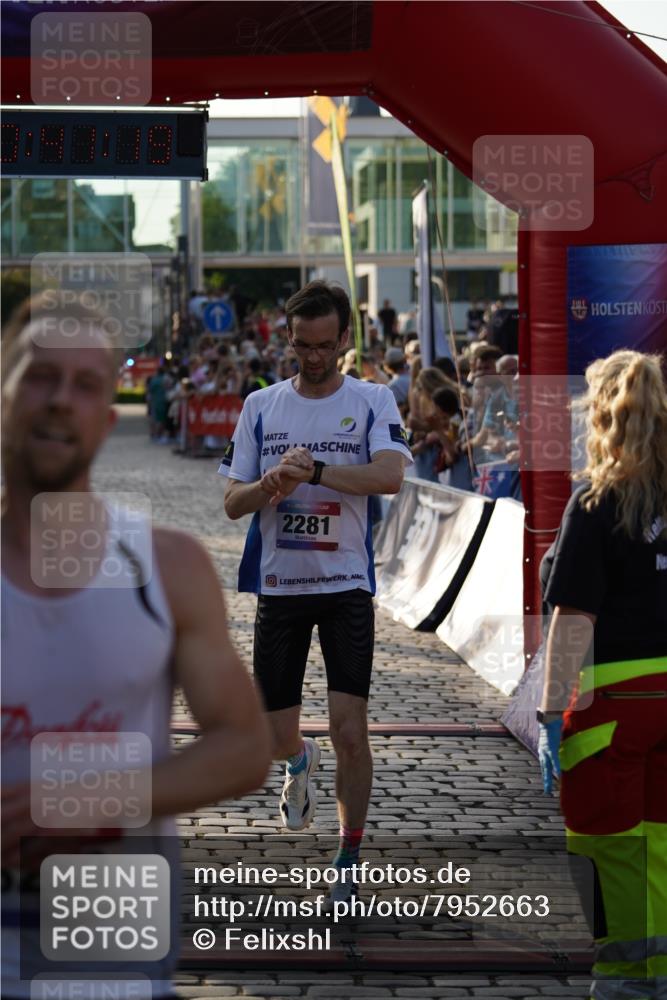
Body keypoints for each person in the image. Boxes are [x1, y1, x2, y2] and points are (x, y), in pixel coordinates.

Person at [1, 292, 271, 1000]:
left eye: (86, 384)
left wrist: (92, 797)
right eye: (37, 375)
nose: (60, 400)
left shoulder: (168, 565)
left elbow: (244, 746)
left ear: (109, 412)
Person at [220, 280, 411, 904]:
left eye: (326, 345)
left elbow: (388, 477)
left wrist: (320, 472)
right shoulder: (262, 406)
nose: (314, 356)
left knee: (349, 730)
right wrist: (273, 480)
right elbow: (231, 504)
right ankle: (298, 764)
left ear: (345, 340)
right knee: (277, 736)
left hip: (346, 586)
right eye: (303, 345)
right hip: (281, 586)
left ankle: (348, 854)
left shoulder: (374, 398)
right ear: (289, 339)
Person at [537, 350, 667, 1000]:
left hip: (612, 703)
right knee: (663, 848)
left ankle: (622, 982)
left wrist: (544, 714)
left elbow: (572, 620)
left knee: (608, 848)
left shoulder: (595, 500)